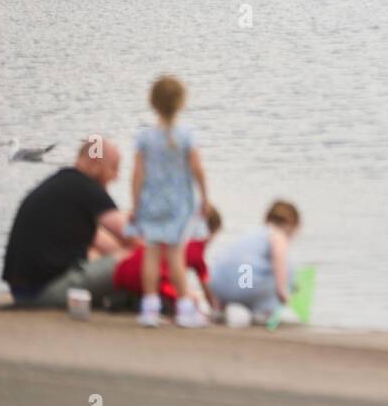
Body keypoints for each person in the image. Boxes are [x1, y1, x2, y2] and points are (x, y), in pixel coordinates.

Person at [2, 139, 132, 307]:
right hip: (46, 293)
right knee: (133, 259)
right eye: (114, 168)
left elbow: (104, 242)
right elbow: (133, 238)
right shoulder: (88, 189)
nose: (117, 176)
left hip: (22, 293)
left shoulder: (63, 184)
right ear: (95, 164)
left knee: (99, 253)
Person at [129, 76, 212, 329]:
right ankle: (185, 309)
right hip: (178, 205)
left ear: (152, 103)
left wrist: (135, 204)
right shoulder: (186, 136)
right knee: (176, 255)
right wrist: (206, 197)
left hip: (151, 203)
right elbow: (197, 169)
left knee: (151, 254)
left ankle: (149, 308)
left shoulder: (145, 138)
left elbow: (137, 173)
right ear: (182, 103)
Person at [112, 207, 222, 314]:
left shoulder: (168, 233)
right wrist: (216, 309)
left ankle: (128, 299)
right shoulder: (196, 249)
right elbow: (206, 286)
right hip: (147, 280)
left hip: (122, 274)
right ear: (208, 233)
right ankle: (141, 303)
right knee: (189, 300)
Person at [210, 200, 301, 322]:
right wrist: (283, 292)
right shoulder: (277, 234)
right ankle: (264, 311)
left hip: (218, 285)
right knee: (287, 270)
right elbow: (279, 259)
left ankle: (220, 309)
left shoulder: (253, 234)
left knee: (248, 265)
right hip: (244, 286)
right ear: (291, 224)